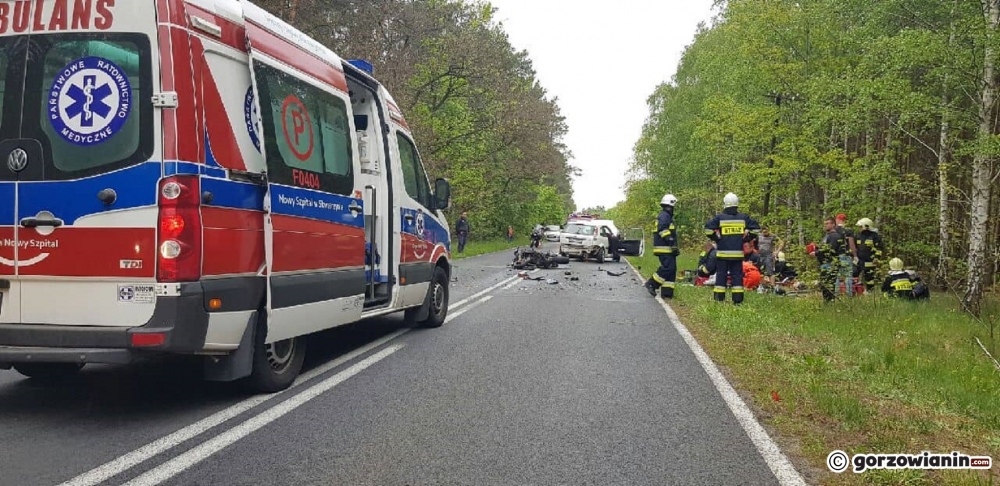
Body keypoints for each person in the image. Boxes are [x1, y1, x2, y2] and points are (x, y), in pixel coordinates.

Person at [704, 192, 760, 305]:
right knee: (737, 277)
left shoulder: (720, 218)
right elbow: (756, 229)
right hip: (737, 254)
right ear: (736, 204)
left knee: (721, 276)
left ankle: (719, 299)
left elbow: (708, 229)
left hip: (722, 254)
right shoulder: (743, 218)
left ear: (725, 204)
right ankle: (737, 301)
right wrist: (746, 239)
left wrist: (717, 239)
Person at [645, 193, 679, 299]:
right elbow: (663, 230)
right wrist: (671, 241)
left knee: (672, 269)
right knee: (668, 268)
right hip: (664, 248)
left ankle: (667, 292)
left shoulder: (666, 215)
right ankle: (652, 283)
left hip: (667, 248)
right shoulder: (664, 216)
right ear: (670, 205)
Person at [812, 217, 846, 302]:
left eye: (827, 223)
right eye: (825, 224)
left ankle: (830, 301)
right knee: (824, 284)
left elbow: (831, 249)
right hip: (824, 263)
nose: (825, 225)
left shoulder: (834, 236)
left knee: (829, 284)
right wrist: (816, 247)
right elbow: (824, 247)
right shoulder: (827, 236)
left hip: (830, 263)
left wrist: (816, 253)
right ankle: (827, 301)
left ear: (833, 224)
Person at [854, 217, 884, 293]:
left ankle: (870, 292)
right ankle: (855, 291)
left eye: (860, 227)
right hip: (859, 260)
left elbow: (879, 248)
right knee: (854, 274)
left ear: (866, 226)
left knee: (869, 278)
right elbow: (854, 247)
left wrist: (876, 257)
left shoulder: (874, 236)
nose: (859, 228)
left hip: (870, 261)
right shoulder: (858, 236)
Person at [835, 213, 858, 296]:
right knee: (848, 275)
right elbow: (852, 245)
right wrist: (855, 256)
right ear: (845, 220)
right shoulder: (848, 230)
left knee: (837, 276)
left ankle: (836, 293)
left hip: (836, 256)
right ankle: (849, 294)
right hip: (846, 255)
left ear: (837, 220)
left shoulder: (833, 230)